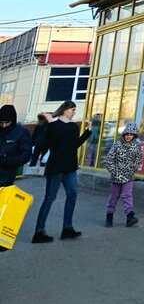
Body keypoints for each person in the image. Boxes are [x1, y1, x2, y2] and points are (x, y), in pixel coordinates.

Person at [31, 100, 92, 243]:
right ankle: (39, 232)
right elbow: (46, 142)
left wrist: (88, 131)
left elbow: (74, 144)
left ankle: (67, 228)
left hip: (70, 167)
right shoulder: (53, 125)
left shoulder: (73, 126)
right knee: (50, 198)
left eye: (75, 110)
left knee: (72, 194)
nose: (74, 113)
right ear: (65, 110)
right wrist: (51, 123)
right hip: (56, 167)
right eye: (72, 110)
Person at [103, 123, 143, 227]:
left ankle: (130, 217)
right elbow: (108, 159)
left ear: (134, 135)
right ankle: (109, 217)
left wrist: (132, 169)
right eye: (127, 134)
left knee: (127, 196)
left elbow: (138, 160)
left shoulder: (136, 146)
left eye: (131, 134)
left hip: (128, 176)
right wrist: (114, 171)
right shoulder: (117, 145)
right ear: (124, 134)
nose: (128, 136)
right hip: (116, 177)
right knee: (113, 197)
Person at [0, 105, 32, 187]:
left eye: (6, 122)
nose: (3, 125)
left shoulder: (22, 133)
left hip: (6, 176)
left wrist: (6, 159)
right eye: (1, 122)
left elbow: (25, 156)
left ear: (12, 120)